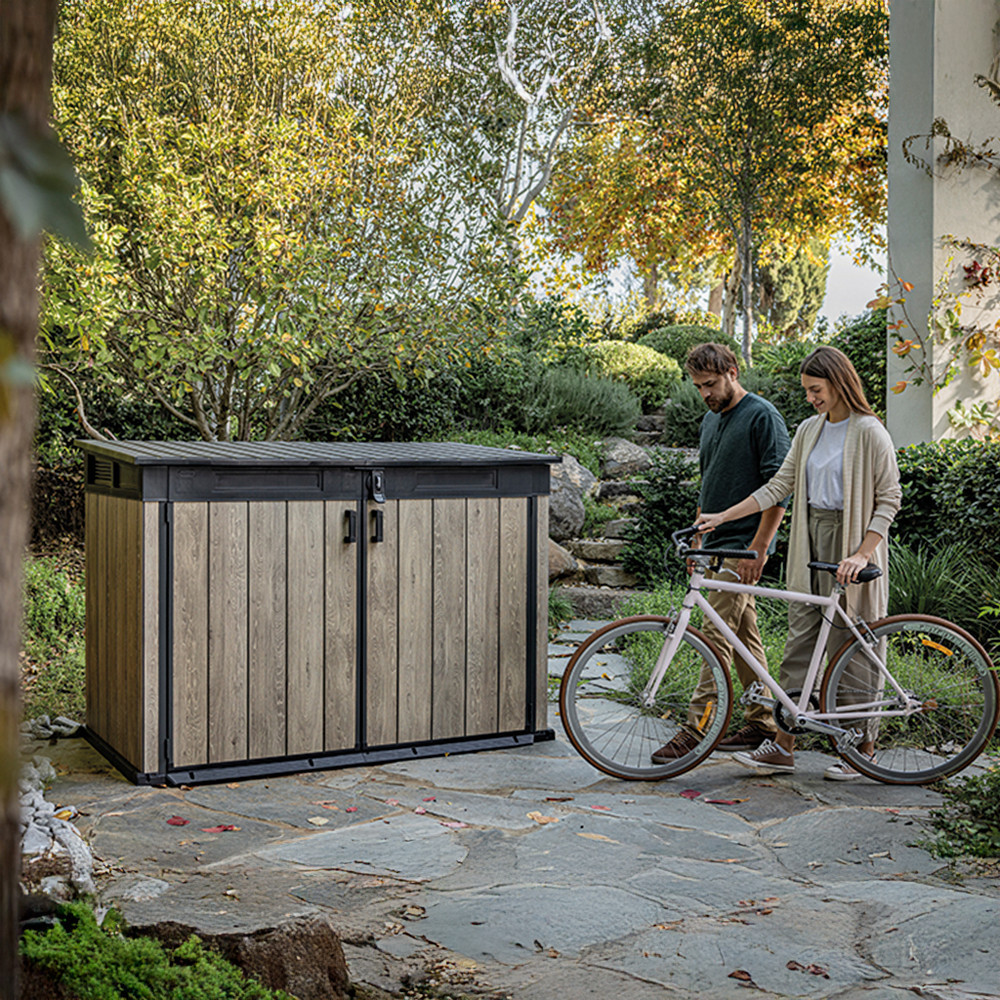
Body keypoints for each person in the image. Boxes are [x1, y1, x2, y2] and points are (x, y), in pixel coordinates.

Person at [696, 345, 902, 780]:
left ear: (839, 383)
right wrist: (723, 516)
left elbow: (889, 499)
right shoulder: (809, 429)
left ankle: (862, 749)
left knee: (852, 645)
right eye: (807, 390)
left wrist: (862, 553)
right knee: (800, 644)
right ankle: (783, 745)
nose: (810, 398)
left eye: (816, 390)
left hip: (853, 540)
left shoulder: (870, 431)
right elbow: (778, 486)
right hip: (810, 542)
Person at [652, 342, 790, 762]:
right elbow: (709, 483)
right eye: (698, 386)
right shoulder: (710, 421)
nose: (705, 394)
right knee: (742, 636)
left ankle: (696, 729)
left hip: (743, 547)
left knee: (713, 637)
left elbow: (779, 489)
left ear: (733, 372)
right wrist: (698, 538)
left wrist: (759, 547)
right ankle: (762, 721)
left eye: (710, 384)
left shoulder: (762, 416)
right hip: (713, 545)